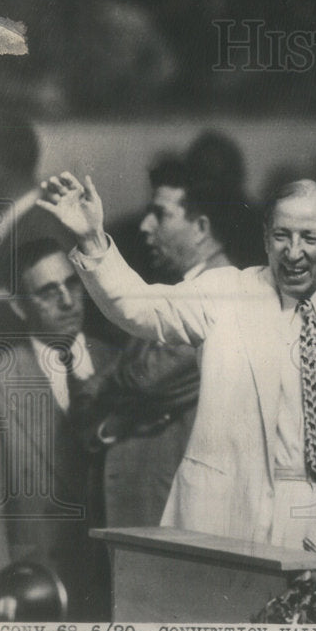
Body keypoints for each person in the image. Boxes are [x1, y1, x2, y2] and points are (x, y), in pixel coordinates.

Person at [38, 172, 316, 552]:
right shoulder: (226, 293)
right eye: (282, 236)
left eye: (309, 238)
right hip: (235, 512)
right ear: (266, 238)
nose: (293, 252)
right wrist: (92, 239)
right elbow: (137, 306)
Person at [72, 156, 240, 528]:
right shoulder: (180, 291)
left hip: (168, 510)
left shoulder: (222, 296)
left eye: (160, 214)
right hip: (147, 501)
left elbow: (147, 377)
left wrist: (107, 382)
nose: (145, 225)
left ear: (200, 227)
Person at [0, 239, 118, 620]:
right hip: (40, 591)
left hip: (117, 586)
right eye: (48, 292)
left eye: (72, 283)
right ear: (20, 306)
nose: (67, 300)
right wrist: (1, 609)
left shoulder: (120, 364)